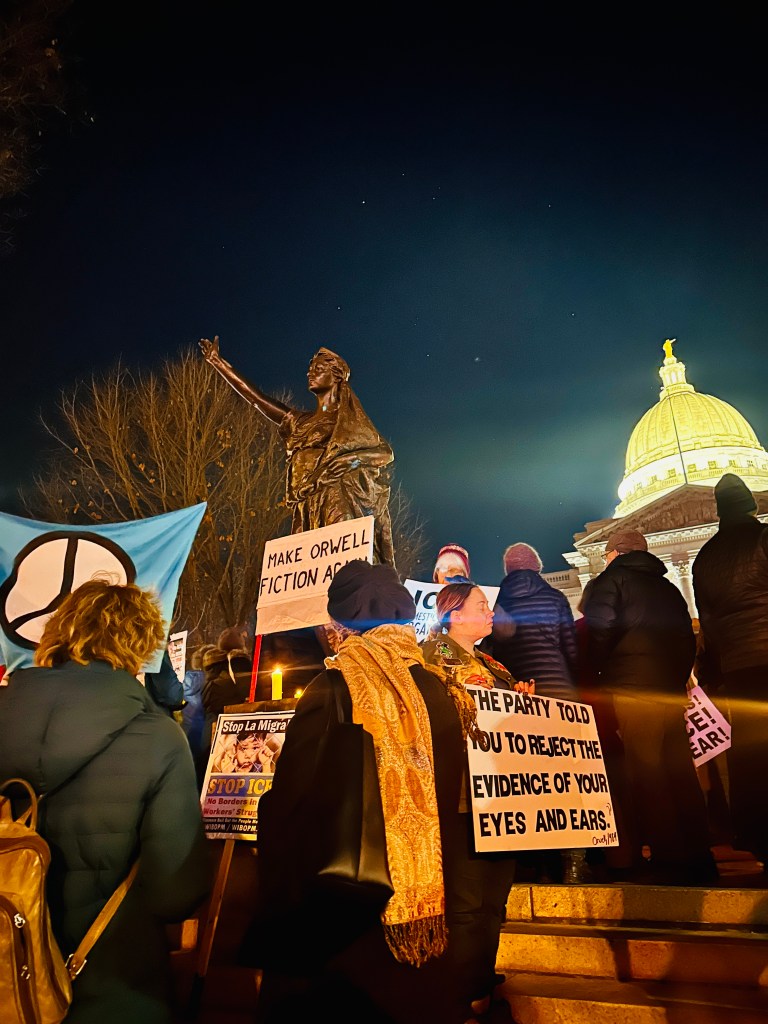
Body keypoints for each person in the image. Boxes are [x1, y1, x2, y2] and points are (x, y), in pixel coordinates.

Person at [248, 561, 512, 1024]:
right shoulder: (440, 687)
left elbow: (292, 802)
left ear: (343, 622)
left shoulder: (334, 686)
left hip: (349, 915)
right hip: (429, 907)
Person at [0, 578, 212, 1024]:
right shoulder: (158, 738)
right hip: (114, 988)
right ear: (140, 644)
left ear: (58, 632)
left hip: (8, 984)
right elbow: (176, 894)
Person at [582, 528, 717, 885]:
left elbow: (599, 632)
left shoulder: (611, 581)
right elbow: (688, 639)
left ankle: (669, 857)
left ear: (614, 553)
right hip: (669, 691)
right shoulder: (668, 588)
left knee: (647, 775)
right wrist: (675, 680)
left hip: (632, 689)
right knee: (681, 773)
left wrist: (599, 673)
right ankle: (700, 855)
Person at [421, 581, 532, 1017]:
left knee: (494, 899)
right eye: (482, 605)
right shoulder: (431, 659)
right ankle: (464, 993)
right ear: (453, 614)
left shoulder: (492, 664)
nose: (490, 613)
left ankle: (483, 980)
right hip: (462, 795)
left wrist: (521, 701)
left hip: (500, 794)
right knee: (467, 902)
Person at [199, 337, 396, 567]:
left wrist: (349, 461)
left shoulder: (348, 421)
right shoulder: (299, 422)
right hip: (305, 501)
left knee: (342, 564)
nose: (310, 373)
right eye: (310, 369)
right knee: (308, 570)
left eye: (319, 369)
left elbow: (384, 453)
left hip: (336, 496)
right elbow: (256, 400)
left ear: (337, 377)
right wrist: (219, 364)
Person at [489, 542, 587, 883]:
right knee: (569, 777)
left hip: (519, 697)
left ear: (508, 570)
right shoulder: (555, 598)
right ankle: (573, 862)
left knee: (531, 780)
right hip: (560, 694)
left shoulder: (497, 602)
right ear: (537, 567)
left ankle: (540, 862)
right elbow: (570, 649)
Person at [692, 473, 768, 871]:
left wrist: (716, 667)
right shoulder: (763, 538)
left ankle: (757, 833)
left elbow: (708, 621)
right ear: (751, 504)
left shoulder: (705, 558)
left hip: (738, 664)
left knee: (752, 750)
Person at [199, 625, 253, 778]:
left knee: (208, 762)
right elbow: (247, 692)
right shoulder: (241, 664)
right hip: (235, 721)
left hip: (212, 720)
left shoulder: (211, 666)